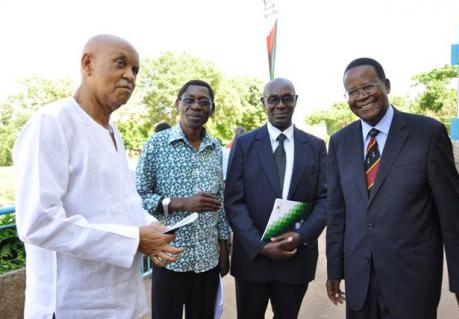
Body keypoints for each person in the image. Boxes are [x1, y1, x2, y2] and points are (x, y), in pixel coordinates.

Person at [13, 34, 183, 319]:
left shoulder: (112, 132)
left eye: (135, 70)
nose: (130, 76)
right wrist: (135, 241)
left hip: (118, 301)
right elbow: (38, 222)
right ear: (87, 63)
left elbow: (123, 204)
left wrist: (153, 228)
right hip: (71, 306)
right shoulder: (52, 123)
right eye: (120, 63)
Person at [326, 57, 459, 319]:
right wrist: (334, 270)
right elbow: (337, 212)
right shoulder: (340, 142)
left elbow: (451, 215)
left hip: (412, 283)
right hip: (360, 280)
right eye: (352, 92)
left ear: (386, 85)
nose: (361, 97)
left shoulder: (428, 134)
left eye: (368, 87)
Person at [225, 77, 328, 319]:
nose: (280, 105)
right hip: (253, 260)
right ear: (263, 102)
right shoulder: (243, 145)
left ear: (295, 101)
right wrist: (260, 246)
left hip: (296, 258)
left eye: (286, 98)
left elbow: (325, 199)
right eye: (273, 99)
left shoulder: (315, 146)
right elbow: (233, 201)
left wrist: (302, 236)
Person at [136, 79, 230, 319]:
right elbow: (139, 198)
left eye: (204, 101)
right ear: (178, 104)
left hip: (207, 262)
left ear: (212, 109)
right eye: (189, 100)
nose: (196, 106)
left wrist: (223, 249)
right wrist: (182, 203)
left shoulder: (216, 147)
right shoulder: (156, 145)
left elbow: (219, 203)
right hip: (169, 258)